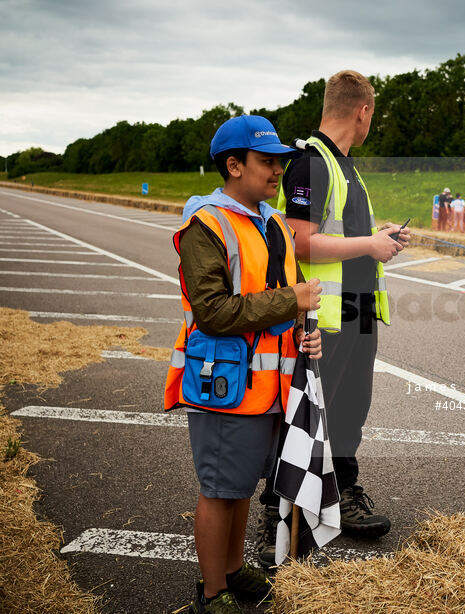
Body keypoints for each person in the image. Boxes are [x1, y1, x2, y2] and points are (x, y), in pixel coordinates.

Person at [164, 115, 324, 613]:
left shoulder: (274, 222)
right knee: (218, 490)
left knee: (238, 490)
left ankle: (233, 571)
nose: (277, 170)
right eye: (266, 161)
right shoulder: (205, 225)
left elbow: (289, 300)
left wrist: (305, 333)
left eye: (281, 161)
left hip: (266, 390)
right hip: (222, 384)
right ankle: (212, 594)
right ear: (233, 165)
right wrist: (289, 302)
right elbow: (212, 313)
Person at [263, 71, 411, 563]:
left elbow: (342, 232)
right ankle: (277, 509)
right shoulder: (310, 162)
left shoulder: (346, 166)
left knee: (350, 412)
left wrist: (378, 233)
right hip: (324, 313)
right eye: (373, 115)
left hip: (359, 310)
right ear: (362, 111)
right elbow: (299, 238)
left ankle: (343, 494)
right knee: (305, 414)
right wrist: (370, 244)